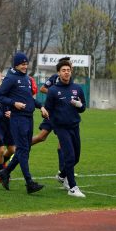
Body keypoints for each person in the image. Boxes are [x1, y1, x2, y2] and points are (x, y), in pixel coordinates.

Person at [0, 52, 48, 194]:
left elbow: (29, 98)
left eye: (26, 64)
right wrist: (14, 103)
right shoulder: (10, 78)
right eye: (23, 64)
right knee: (23, 150)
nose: (25, 66)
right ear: (16, 65)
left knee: (24, 150)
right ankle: (29, 182)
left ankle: (4, 172)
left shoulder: (26, 78)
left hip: (29, 118)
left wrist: (41, 106)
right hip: (18, 119)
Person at [44, 59, 87, 198]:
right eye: (63, 70)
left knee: (76, 157)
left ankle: (62, 175)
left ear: (71, 71)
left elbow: (83, 108)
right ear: (58, 73)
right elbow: (48, 109)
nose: (66, 72)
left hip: (75, 126)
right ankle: (72, 187)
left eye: (68, 70)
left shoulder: (77, 88)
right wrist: (46, 116)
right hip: (61, 128)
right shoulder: (53, 91)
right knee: (69, 156)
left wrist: (79, 105)